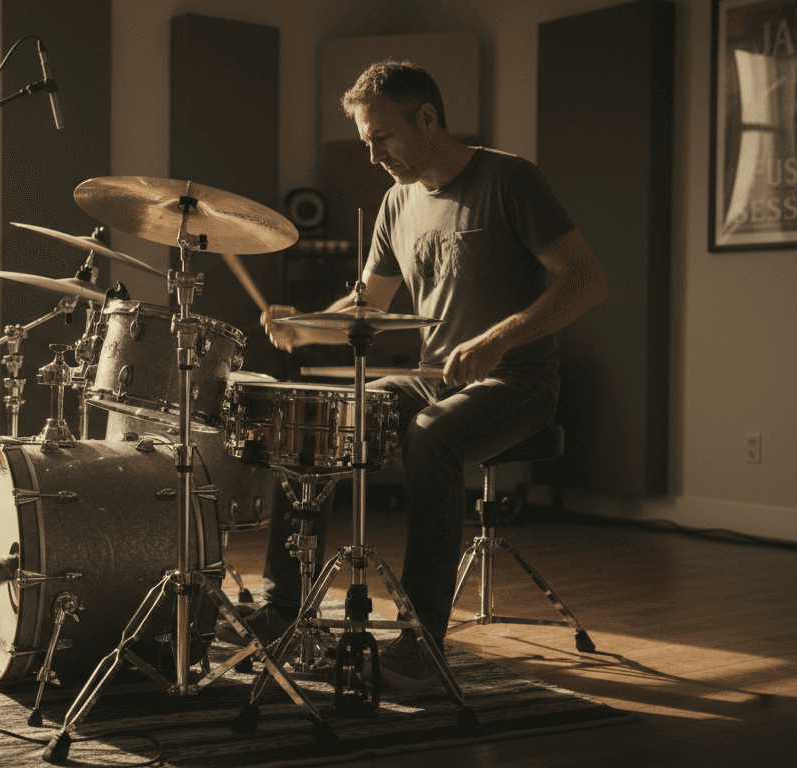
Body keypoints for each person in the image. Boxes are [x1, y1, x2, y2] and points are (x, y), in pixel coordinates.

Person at [217, 59, 609, 690]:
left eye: (383, 138)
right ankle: (283, 607)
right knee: (324, 413)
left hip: (519, 383)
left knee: (432, 434)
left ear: (428, 118)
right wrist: (308, 325)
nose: (373, 156)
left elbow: (588, 281)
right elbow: (369, 304)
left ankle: (422, 644)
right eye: (366, 142)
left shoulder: (510, 179)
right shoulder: (397, 201)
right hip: (435, 377)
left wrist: (500, 335)